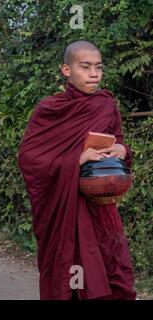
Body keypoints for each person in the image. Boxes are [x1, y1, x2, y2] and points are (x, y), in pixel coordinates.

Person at [18, 40, 136, 300]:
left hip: (100, 207)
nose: (94, 73)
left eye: (98, 67)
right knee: (70, 278)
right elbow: (29, 158)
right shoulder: (49, 110)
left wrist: (123, 150)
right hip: (63, 210)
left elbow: (117, 139)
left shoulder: (106, 105)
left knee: (112, 271)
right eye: (85, 67)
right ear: (66, 70)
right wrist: (75, 159)